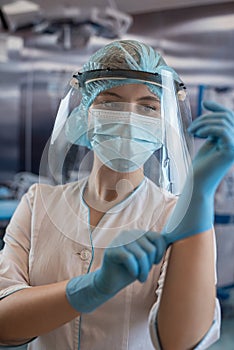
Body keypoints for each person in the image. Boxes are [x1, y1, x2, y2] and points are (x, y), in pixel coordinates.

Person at [0, 40, 234, 350]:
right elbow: (4, 323)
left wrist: (200, 196)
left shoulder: (178, 216)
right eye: (111, 102)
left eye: (148, 106)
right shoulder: (38, 203)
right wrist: (91, 289)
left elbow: (182, 342)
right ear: (85, 112)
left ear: (163, 121)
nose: (129, 117)